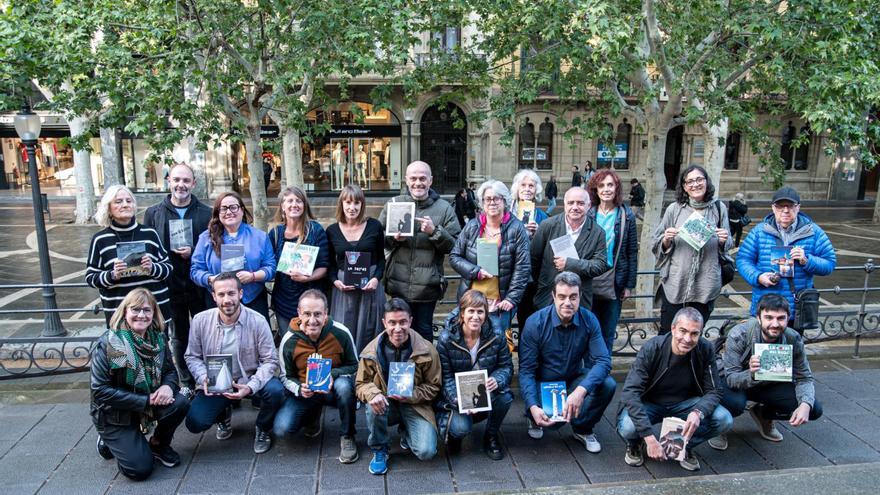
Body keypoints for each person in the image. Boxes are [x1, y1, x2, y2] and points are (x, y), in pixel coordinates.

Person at [616, 307, 733, 471]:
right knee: (628, 427)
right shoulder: (652, 348)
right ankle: (636, 443)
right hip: (650, 403)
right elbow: (630, 392)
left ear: (700, 333)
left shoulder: (705, 349)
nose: (687, 338)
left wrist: (698, 412)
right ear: (672, 328)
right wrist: (649, 438)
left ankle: (683, 445)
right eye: (682, 331)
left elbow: (714, 390)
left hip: (685, 403)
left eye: (694, 333)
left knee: (724, 419)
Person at [91, 288, 189, 481]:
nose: (141, 315)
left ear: (154, 313)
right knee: (140, 470)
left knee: (181, 402)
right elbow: (100, 391)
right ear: (125, 311)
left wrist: (168, 386)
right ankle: (111, 441)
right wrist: (145, 400)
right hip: (116, 414)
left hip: (148, 402)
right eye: (135, 310)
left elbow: (169, 371)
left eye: (147, 310)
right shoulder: (109, 344)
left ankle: (158, 444)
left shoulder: (158, 338)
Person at [184, 273, 285, 454]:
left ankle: (262, 427)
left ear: (240, 293)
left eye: (231, 293)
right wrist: (203, 377)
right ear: (213, 296)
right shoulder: (200, 321)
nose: (227, 300)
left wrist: (251, 386)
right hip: (217, 382)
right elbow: (192, 356)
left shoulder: (258, 320)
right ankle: (222, 415)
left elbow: (270, 360)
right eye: (221, 294)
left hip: (250, 378)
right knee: (195, 422)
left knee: (276, 391)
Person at [708, 293, 823, 450]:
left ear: (788, 318)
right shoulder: (740, 334)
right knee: (736, 404)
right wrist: (752, 373)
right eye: (769, 317)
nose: (774, 324)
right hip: (733, 382)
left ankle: (763, 414)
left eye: (780, 318)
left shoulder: (793, 338)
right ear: (759, 317)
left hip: (768, 383)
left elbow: (804, 377)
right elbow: (731, 377)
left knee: (814, 409)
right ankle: (717, 425)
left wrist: (805, 404)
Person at [519, 272, 616, 452]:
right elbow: (526, 371)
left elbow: (603, 361)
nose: (567, 303)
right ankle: (533, 417)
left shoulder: (589, 319)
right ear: (553, 296)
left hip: (572, 379)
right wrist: (532, 405)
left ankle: (582, 428)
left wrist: (580, 391)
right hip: (544, 384)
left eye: (573, 297)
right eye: (562, 297)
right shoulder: (535, 323)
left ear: (580, 296)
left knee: (607, 384)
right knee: (552, 425)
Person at [143, 163, 213, 393]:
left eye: (186, 180)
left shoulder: (206, 213)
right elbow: (148, 249)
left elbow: (215, 246)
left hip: (199, 286)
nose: (181, 185)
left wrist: (195, 253)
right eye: (176, 180)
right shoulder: (153, 213)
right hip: (169, 286)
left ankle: (210, 380)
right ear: (168, 181)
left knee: (206, 335)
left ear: (194, 184)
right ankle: (186, 382)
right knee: (178, 337)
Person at [356, 298, 441, 475]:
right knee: (373, 406)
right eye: (392, 323)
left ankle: (407, 431)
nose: (397, 328)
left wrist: (411, 394)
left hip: (415, 405)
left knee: (426, 452)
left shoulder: (427, 349)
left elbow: (434, 386)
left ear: (410, 321)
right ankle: (380, 449)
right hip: (385, 403)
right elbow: (360, 383)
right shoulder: (371, 351)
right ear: (384, 323)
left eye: (403, 322)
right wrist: (374, 394)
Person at [379, 161, 461, 342]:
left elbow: (456, 246)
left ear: (430, 181)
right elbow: (378, 240)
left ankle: (425, 368)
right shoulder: (393, 204)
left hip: (427, 286)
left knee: (424, 332)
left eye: (423, 178)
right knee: (398, 332)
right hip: (398, 284)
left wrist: (435, 232)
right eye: (414, 178)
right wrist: (394, 239)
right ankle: (400, 369)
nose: (418, 183)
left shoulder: (444, 208)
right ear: (406, 181)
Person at [274, 290, 360, 463]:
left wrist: (333, 375)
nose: (312, 320)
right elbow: (285, 376)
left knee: (344, 387)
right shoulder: (289, 340)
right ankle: (313, 416)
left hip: (333, 388)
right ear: (299, 313)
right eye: (307, 314)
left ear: (326, 313)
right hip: (307, 392)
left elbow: (355, 365)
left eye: (317, 314)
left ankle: (348, 435)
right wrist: (299, 388)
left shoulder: (341, 332)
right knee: (282, 429)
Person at [736, 186, 836, 328]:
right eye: (780, 206)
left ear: (798, 207)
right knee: (764, 349)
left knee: (793, 348)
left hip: (795, 309)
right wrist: (758, 277)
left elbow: (829, 264)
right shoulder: (759, 231)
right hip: (766, 307)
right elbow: (743, 259)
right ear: (773, 208)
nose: (785, 210)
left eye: (790, 206)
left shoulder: (814, 233)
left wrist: (806, 260)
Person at [652, 165, 732, 335]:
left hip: (705, 285)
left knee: (694, 336)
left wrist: (724, 241)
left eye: (699, 179)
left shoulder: (719, 208)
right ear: (684, 186)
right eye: (690, 181)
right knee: (668, 334)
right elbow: (656, 244)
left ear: (706, 182)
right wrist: (666, 239)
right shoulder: (674, 209)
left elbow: (728, 245)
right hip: (676, 283)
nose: (695, 184)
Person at [435, 290, 513, 460]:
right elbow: (445, 377)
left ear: (486, 314)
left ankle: (491, 435)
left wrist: (497, 379)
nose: (475, 316)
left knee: (505, 397)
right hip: (458, 396)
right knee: (460, 428)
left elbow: (506, 366)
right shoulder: (447, 339)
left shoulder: (496, 335)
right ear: (462, 314)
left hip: (485, 391)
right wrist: (457, 400)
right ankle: (456, 436)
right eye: (471, 311)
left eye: (480, 311)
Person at [449, 180, 530, 336]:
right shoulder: (472, 226)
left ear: (504, 201)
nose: (492, 202)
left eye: (496, 198)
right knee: (470, 343)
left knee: (498, 346)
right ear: (482, 203)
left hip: (500, 303)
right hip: (472, 300)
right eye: (488, 199)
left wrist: (512, 298)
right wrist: (475, 271)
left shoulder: (517, 228)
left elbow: (523, 267)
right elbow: (454, 256)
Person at [86, 185, 172, 326]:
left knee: (159, 348)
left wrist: (153, 268)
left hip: (155, 313)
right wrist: (112, 275)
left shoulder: (150, 233)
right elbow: (90, 277)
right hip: (120, 315)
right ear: (108, 208)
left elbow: (168, 268)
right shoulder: (100, 239)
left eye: (129, 201)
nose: (125, 205)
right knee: (123, 348)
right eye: (118, 201)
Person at [190, 192, 276, 323]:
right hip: (218, 303)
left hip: (253, 300)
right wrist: (211, 279)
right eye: (223, 208)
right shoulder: (206, 238)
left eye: (233, 207)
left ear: (242, 210)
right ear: (218, 213)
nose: (229, 212)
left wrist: (253, 276)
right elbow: (195, 270)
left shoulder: (260, 237)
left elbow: (271, 268)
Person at [327, 184, 386, 352]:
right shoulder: (332, 230)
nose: (352, 208)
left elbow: (382, 259)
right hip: (344, 290)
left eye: (356, 203)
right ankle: (347, 368)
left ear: (362, 205)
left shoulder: (374, 226)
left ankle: (368, 365)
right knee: (345, 325)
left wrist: (376, 279)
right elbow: (330, 263)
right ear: (341, 204)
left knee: (370, 328)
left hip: (370, 287)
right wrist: (335, 282)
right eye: (348, 202)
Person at [586, 170, 639, 354]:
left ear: (616, 188)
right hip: (589, 280)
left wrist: (629, 285)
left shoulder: (626, 215)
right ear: (595, 189)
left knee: (608, 332)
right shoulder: (588, 213)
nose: (606, 189)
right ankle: (588, 373)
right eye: (601, 185)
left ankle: (603, 370)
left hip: (615, 281)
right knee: (588, 331)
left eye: (610, 185)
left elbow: (632, 252)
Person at [531, 187, 609, 311]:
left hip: (579, 301)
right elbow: (533, 261)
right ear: (565, 204)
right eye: (571, 203)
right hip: (547, 298)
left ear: (589, 205)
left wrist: (570, 264)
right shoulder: (548, 226)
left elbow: (600, 265)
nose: (575, 207)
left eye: (580, 203)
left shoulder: (598, 232)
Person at [268, 186, 330, 333]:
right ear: (282, 206)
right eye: (289, 201)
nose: (294, 205)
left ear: (304, 205)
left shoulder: (315, 231)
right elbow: (269, 264)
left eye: (298, 201)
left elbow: (324, 266)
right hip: (283, 301)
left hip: (312, 301)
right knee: (288, 343)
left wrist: (307, 278)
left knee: (311, 344)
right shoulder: (275, 233)